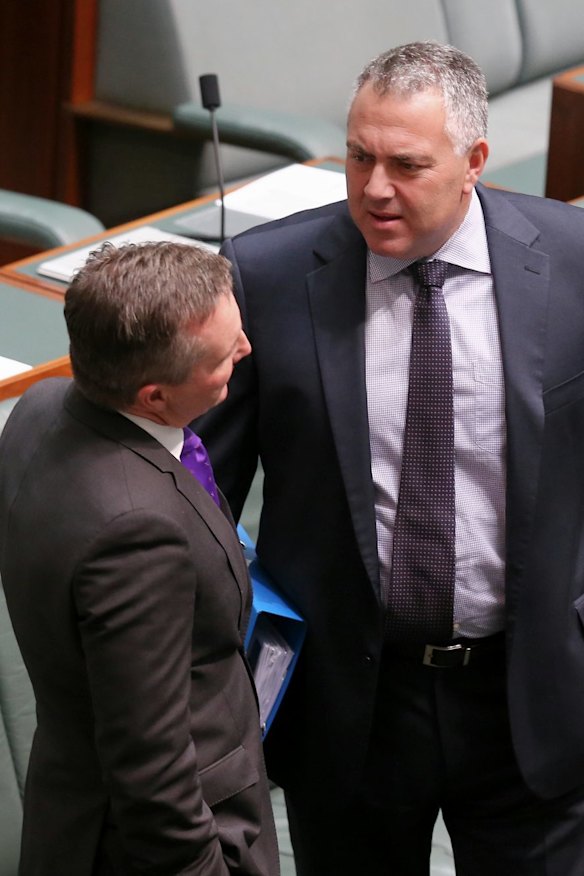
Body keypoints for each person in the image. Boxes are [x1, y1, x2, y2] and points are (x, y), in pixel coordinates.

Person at [193, 41, 584, 876]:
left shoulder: (573, 261)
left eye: (406, 165)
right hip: (354, 706)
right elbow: (205, 498)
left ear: (475, 160)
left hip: (533, 691)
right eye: (359, 156)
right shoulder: (267, 275)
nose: (374, 188)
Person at [0, 242, 280, 876]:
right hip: (166, 839)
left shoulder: (41, 408)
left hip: (69, 787)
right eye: (223, 353)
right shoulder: (139, 533)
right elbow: (150, 766)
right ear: (153, 396)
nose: (245, 351)